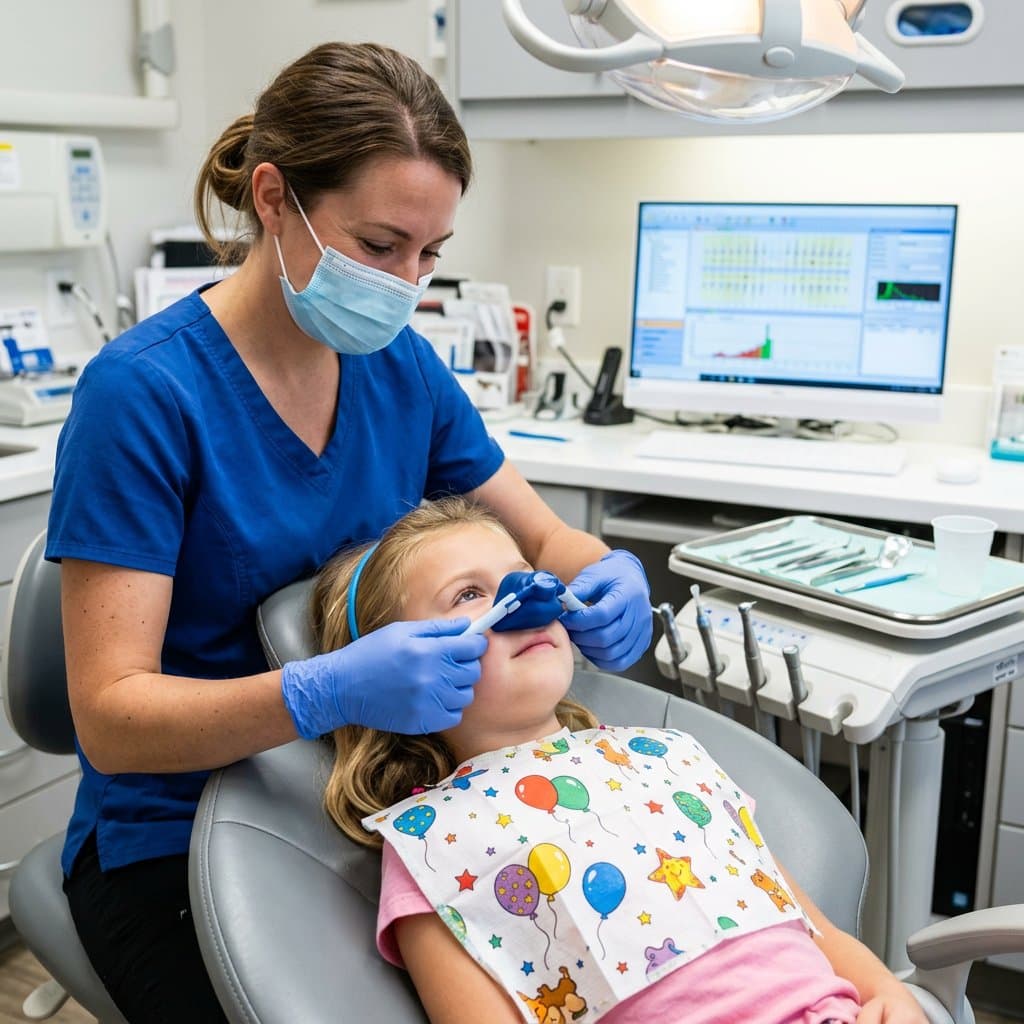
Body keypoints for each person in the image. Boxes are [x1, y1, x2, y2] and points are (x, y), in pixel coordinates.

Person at [45, 42, 652, 1023]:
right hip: (176, 830)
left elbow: (545, 540)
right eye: (379, 246)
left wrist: (609, 574)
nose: (407, 282)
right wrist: (324, 689)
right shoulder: (144, 396)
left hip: (378, 794)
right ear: (275, 199)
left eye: (429, 253)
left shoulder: (401, 369)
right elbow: (111, 718)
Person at [316, 497, 929, 1024]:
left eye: (525, 573)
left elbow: (799, 917)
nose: (526, 595)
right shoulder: (431, 843)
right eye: (469, 593)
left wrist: (887, 992)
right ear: (398, 671)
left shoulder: (666, 756)